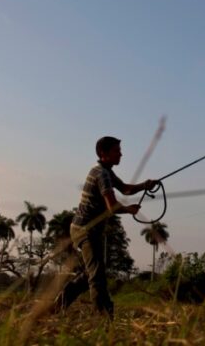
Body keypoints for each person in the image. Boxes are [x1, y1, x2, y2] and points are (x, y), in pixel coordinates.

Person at [56, 136, 157, 318]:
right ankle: (103, 318)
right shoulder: (102, 174)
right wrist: (129, 209)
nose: (121, 154)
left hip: (86, 229)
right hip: (85, 230)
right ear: (104, 154)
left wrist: (145, 185)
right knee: (97, 276)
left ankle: (57, 306)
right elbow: (112, 206)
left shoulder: (106, 172)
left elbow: (125, 189)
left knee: (90, 274)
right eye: (116, 151)